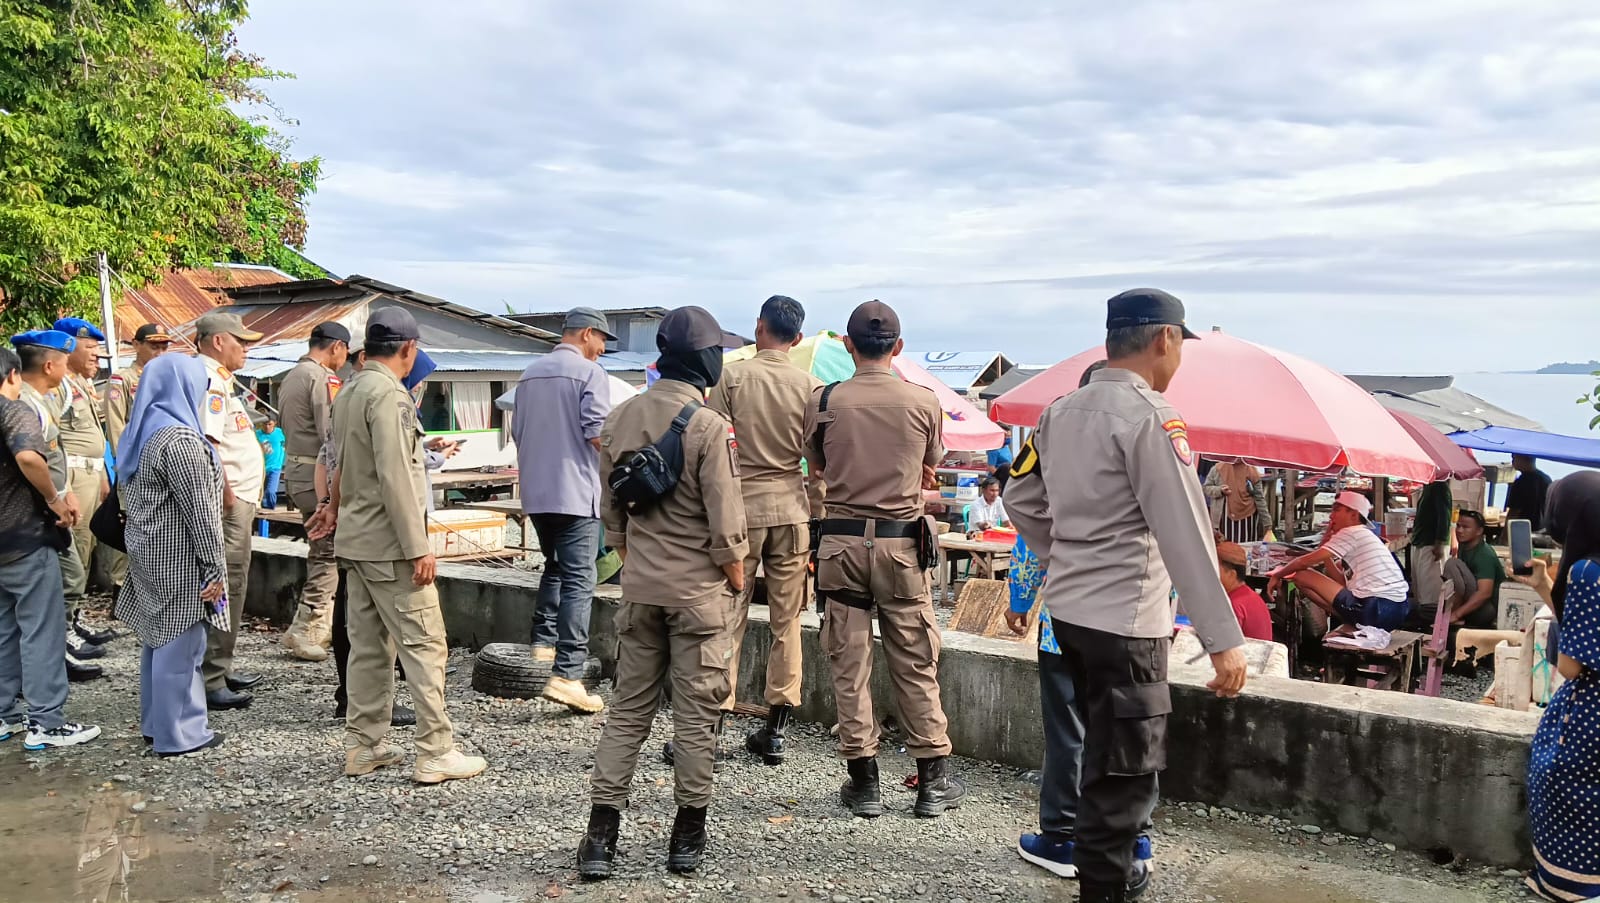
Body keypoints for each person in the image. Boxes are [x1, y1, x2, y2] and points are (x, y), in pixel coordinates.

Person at [1005, 288, 1248, 903]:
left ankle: (1100, 875)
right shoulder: (1150, 417)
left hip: (1071, 615)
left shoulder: (1059, 413)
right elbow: (1186, 532)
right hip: (1127, 622)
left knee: (1096, 760)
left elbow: (1020, 499)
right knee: (1125, 777)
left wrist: (1067, 555)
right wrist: (1224, 641)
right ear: (1166, 339)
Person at [578, 306, 748, 880]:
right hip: (698, 594)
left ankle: (599, 839)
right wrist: (734, 581)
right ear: (708, 360)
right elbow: (727, 529)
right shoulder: (707, 426)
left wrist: (637, 563)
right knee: (696, 718)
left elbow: (613, 513)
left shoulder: (621, 416)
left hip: (641, 589)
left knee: (628, 713)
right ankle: (686, 839)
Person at [803, 300, 965, 820]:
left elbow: (820, 463)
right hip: (901, 546)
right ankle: (931, 784)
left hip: (842, 543)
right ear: (898, 346)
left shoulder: (825, 398)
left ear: (848, 345)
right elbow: (931, 463)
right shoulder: (923, 400)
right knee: (915, 658)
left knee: (849, 664)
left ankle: (864, 783)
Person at [331, 308, 485, 785]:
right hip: (390, 544)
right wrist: (418, 547)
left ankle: (364, 745)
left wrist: (331, 510)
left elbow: (341, 464)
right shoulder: (391, 396)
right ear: (409, 349)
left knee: (368, 647)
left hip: (357, 540)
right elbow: (397, 476)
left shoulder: (351, 389)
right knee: (424, 645)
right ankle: (435, 748)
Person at [703, 294, 820, 765]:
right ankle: (775, 729)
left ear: (758, 328)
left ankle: (711, 724)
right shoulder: (812, 386)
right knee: (786, 622)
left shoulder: (731, 376)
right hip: (793, 508)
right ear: (796, 338)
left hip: (741, 511)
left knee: (726, 619)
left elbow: (713, 444)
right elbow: (820, 459)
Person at [115, 355, 229, 757]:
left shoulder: (142, 431)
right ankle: (180, 733)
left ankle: (155, 723)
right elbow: (202, 513)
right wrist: (215, 568)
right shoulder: (181, 441)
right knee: (183, 646)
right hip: (179, 556)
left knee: (157, 639)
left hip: (149, 549)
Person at [305, 343, 416, 728]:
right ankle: (359, 701)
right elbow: (385, 473)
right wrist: (417, 546)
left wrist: (328, 506)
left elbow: (333, 464)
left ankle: (358, 706)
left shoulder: (349, 397)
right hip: (374, 528)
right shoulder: (374, 398)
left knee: (357, 617)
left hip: (354, 522)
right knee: (374, 626)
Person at [511, 307, 615, 714]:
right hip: (576, 492)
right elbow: (597, 434)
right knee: (580, 578)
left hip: (537, 492)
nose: (602, 350)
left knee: (554, 565)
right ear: (587, 334)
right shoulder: (591, 375)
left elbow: (518, 432)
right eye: (601, 340)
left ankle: (543, 643)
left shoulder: (530, 373)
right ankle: (568, 673)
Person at [0, 341, 101, 749]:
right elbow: (28, 457)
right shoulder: (14, 408)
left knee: (4, 630)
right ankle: (46, 721)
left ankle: (5, 715)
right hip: (24, 538)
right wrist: (54, 498)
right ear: (11, 375)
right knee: (41, 630)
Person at [1525, 472, 1600, 901]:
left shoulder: (1588, 572)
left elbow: (1572, 663)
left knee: (1566, 786)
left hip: (1590, 709)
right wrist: (1543, 586)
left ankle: (1569, 885)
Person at [14, 330, 102, 682]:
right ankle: (49, 662)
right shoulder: (25, 402)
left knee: (67, 575)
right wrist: (55, 498)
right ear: (49, 364)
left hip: (51, 504)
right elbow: (32, 459)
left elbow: (54, 453)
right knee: (60, 581)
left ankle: (54, 653)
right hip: (36, 513)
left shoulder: (42, 398)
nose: (68, 370)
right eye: (65, 363)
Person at [193, 312, 267, 710]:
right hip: (230, 500)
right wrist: (224, 493)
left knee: (233, 585)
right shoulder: (210, 381)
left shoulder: (220, 378)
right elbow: (208, 444)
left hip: (237, 497)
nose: (247, 348)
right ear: (219, 341)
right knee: (227, 584)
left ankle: (220, 666)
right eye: (241, 341)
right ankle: (211, 675)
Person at [277, 321, 350, 662]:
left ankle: (315, 625)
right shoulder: (322, 379)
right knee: (327, 553)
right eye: (345, 351)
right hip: (317, 473)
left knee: (320, 551)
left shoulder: (293, 374)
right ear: (336, 347)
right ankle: (307, 627)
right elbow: (331, 434)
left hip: (296, 470)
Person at [1269, 491, 1411, 633]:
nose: (1331, 516)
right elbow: (1341, 583)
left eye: (1337, 510)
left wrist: (1278, 574)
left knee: (1301, 575)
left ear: (1354, 515)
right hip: (1396, 610)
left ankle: (1352, 620)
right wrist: (1326, 547)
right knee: (1322, 573)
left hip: (1377, 607)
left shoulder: (1351, 532)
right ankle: (1350, 619)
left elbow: (1303, 563)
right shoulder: (1364, 534)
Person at [51, 319, 111, 627]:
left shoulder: (82, 383)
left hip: (90, 474)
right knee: (71, 553)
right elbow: (53, 440)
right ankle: (65, 627)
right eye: (89, 349)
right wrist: (63, 489)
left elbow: (93, 435)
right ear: (68, 345)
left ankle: (75, 619)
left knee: (85, 549)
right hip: (71, 478)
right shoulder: (59, 384)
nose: (95, 357)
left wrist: (101, 475)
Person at [105, 323, 171, 602]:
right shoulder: (123, 379)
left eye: (163, 346)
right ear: (136, 345)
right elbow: (116, 426)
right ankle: (120, 590)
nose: (159, 351)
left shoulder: (167, 379)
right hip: (135, 466)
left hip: (163, 466)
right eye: (153, 345)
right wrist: (128, 463)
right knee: (127, 523)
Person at [1432, 510, 1505, 631]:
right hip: (1474, 605)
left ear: (1479, 531)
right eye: (1459, 526)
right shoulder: (1465, 546)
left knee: (1452, 564)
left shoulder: (1484, 555)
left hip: (1488, 610)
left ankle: (1455, 615)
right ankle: (1454, 613)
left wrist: (1456, 614)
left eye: (1465, 527)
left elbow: (1485, 593)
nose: (1460, 530)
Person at [1408, 480, 1453, 614]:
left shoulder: (1440, 487)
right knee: (1420, 585)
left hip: (1431, 544)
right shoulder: (1428, 487)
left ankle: (1431, 618)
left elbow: (1444, 516)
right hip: (1420, 541)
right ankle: (1422, 614)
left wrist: (1440, 542)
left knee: (1431, 589)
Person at [1216, 542, 1274, 641]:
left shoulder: (1233, 605)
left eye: (1215, 570)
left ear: (1231, 575)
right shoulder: (1251, 596)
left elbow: (1223, 647)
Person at [1203, 461, 1269, 543]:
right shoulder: (1217, 469)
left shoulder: (1251, 470)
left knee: (1246, 548)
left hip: (1247, 517)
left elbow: (1259, 497)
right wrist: (1220, 490)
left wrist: (1267, 520)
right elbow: (1206, 488)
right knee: (1226, 549)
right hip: (1224, 518)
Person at [1507, 454, 1553, 533]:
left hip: (1523, 530)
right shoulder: (1546, 479)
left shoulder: (1521, 482)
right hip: (1543, 529)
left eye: (1514, 458)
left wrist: (1504, 537)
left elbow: (1514, 512)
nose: (1512, 461)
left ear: (1525, 459)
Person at [256, 418, 285, 511]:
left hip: (275, 467)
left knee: (270, 491)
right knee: (260, 493)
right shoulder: (257, 434)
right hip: (261, 468)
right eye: (265, 424)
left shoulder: (280, 433)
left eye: (269, 424)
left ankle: (270, 509)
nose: (267, 427)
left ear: (274, 424)